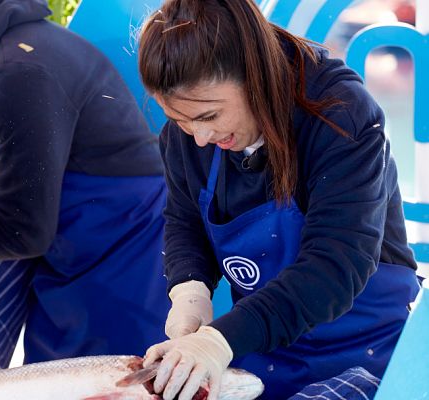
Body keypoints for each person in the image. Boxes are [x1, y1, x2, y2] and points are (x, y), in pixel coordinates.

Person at [136, 1, 421, 399]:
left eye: (208, 117)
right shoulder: (188, 136)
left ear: (253, 77)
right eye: (180, 121)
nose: (198, 138)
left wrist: (218, 341)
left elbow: (335, 267)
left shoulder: (340, 115)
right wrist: (190, 290)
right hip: (264, 352)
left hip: (363, 355)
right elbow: (184, 222)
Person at [0, 0, 169, 368]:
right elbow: (13, 187)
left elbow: (23, 228)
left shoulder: (20, 69)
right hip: (77, 252)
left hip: (121, 261)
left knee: (117, 382)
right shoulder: (8, 50)